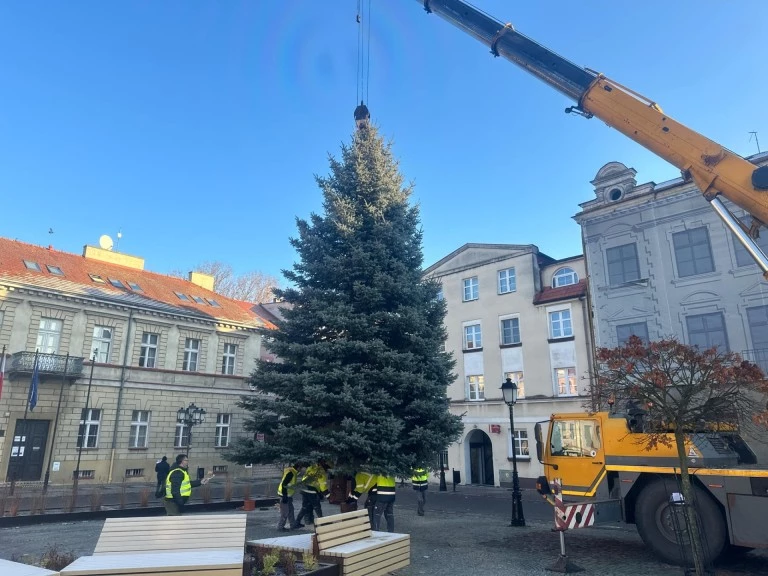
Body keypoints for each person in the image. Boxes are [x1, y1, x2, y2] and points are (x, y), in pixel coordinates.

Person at [292, 462, 329, 529]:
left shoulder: (311, 467)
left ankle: (297, 522)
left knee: (304, 507)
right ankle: (322, 522)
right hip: (311, 490)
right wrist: (326, 494)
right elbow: (323, 484)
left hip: (304, 489)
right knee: (317, 506)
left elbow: (304, 477)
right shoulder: (321, 471)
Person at [277, 463, 301, 531]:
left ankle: (293, 525)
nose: (301, 470)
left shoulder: (293, 472)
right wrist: (284, 495)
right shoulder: (291, 473)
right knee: (285, 512)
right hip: (284, 495)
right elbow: (284, 483)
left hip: (288, 495)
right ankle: (280, 527)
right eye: (301, 468)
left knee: (291, 510)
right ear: (298, 467)